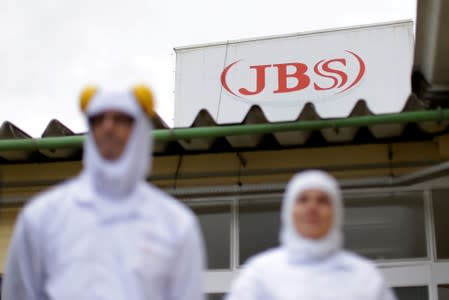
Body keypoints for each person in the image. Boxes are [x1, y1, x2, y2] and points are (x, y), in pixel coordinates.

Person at [1, 86, 205, 300]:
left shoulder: (175, 224)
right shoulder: (41, 217)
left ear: (141, 130)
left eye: (121, 119)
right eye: (98, 119)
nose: (108, 127)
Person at [226, 170, 396, 300]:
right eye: (303, 199)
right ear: (288, 210)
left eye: (322, 200)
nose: (312, 207)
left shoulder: (365, 277)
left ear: (337, 212)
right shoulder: (260, 274)